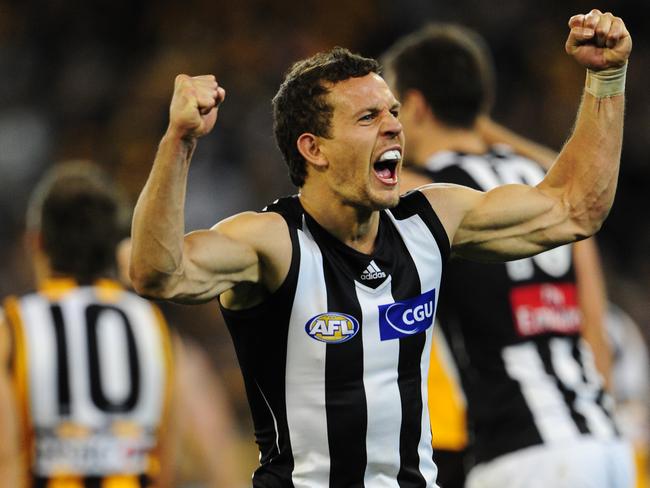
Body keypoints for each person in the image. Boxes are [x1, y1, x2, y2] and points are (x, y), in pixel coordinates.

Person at [130, 9, 632, 487]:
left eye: (393, 111)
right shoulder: (274, 242)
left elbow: (575, 208)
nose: (394, 125)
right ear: (314, 148)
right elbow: (158, 273)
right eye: (368, 117)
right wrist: (179, 142)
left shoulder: (429, 221)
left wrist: (606, 80)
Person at [381, 22, 632, 487]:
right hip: (606, 445)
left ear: (414, 106)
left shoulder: (428, 199)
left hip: (518, 454)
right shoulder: (543, 185)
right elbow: (594, 325)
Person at [0, 162, 244, 488]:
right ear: (116, 249)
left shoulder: (13, 329)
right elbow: (210, 456)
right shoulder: (158, 333)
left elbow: (8, 459)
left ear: (36, 243)